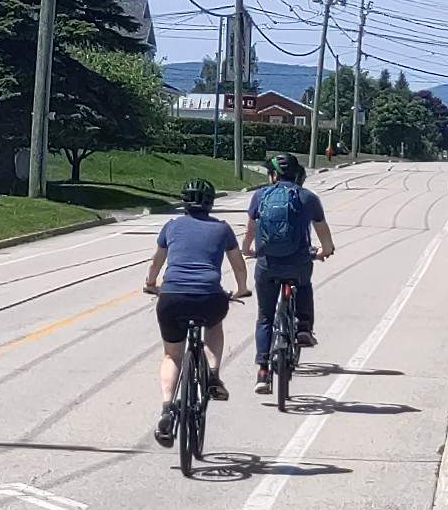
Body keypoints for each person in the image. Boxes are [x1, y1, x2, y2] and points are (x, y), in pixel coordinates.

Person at [143, 177, 247, 446]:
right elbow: (238, 264)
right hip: (209, 297)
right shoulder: (223, 229)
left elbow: (157, 261)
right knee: (215, 323)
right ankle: (212, 374)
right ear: (211, 204)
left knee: (172, 355)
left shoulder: (171, 226)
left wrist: (150, 284)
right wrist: (241, 289)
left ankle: (167, 409)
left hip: (172, 297)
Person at [243, 152, 335, 388]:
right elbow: (323, 233)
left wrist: (247, 249)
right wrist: (325, 250)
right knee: (304, 284)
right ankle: (303, 327)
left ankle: (263, 370)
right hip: (298, 262)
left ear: (273, 175)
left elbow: (250, 228)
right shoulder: (308, 198)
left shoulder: (260, 196)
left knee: (265, 316)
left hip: (267, 265)